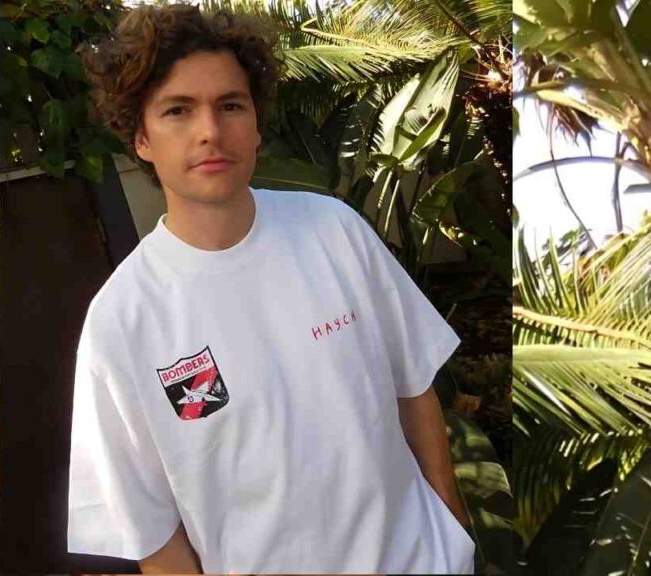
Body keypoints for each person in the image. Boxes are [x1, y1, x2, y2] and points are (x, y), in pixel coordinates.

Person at [67, 4, 475, 574]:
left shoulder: (334, 230)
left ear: (256, 122)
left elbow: (416, 391)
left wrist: (453, 534)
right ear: (140, 137)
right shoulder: (122, 320)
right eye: (178, 110)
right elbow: (152, 538)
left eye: (230, 105)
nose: (210, 131)